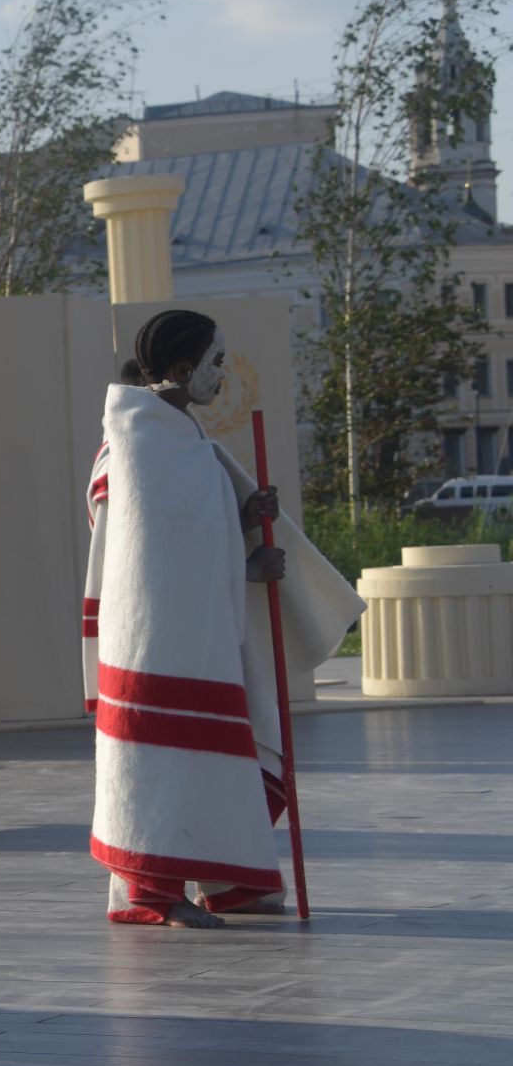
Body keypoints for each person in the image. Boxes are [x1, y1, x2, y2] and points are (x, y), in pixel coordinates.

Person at [82, 309, 362, 927]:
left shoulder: (183, 439)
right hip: (155, 645)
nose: (223, 374)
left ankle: (225, 879)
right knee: (168, 761)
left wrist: (244, 516)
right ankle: (156, 893)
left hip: (200, 635)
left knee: (213, 758)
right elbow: (153, 564)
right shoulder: (142, 446)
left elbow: (191, 538)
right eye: (215, 362)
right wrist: (246, 569)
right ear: (182, 370)